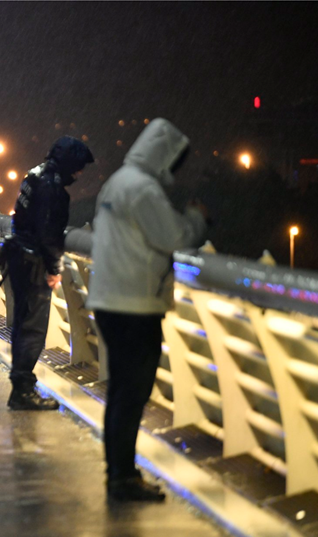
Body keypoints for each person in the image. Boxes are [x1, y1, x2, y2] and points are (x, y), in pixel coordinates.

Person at [87, 118, 208, 502]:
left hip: (109, 300)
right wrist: (197, 219)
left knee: (121, 392)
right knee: (132, 392)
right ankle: (122, 478)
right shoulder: (143, 189)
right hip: (135, 304)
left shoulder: (117, 182)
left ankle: (118, 473)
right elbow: (175, 237)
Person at [6, 136, 94, 410]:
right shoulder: (52, 187)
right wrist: (54, 269)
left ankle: (20, 386)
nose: (79, 175)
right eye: (78, 168)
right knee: (32, 329)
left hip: (18, 255)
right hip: (34, 263)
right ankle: (22, 391)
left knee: (22, 324)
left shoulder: (33, 175)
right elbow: (48, 233)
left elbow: (22, 218)